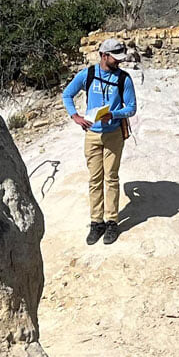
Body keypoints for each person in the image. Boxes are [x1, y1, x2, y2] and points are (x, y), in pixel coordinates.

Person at [62, 39, 139, 245]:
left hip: (113, 134)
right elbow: (67, 94)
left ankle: (112, 221)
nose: (119, 62)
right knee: (95, 179)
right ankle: (97, 222)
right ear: (104, 56)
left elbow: (131, 107)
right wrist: (75, 116)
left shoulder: (124, 79)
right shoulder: (87, 74)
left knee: (111, 178)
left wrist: (113, 114)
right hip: (92, 135)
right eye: (116, 58)